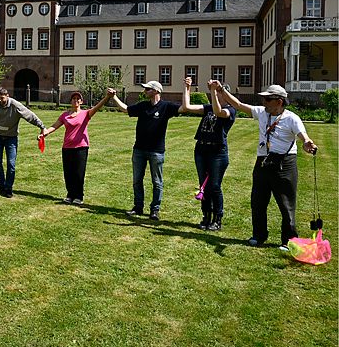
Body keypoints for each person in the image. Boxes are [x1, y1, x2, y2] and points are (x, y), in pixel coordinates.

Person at [217, 83, 318, 250]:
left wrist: (307, 143)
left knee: (286, 204)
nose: (264, 101)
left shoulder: (292, 118)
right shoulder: (262, 113)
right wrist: (221, 91)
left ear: (279, 101)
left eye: (268, 99)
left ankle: (289, 240)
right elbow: (239, 105)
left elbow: (303, 136)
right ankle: (259, 235)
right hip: (263, 161)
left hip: (284, 163)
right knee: (258, 201)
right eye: (263, 98)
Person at [110, 81, 181, 220]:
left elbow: (184, 108)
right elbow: (126, 109)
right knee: (137, 180)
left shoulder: (167, 107)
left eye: (147, 89)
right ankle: (138, 207)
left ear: (156, 91)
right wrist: (114, 97)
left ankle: (155, 210)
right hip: (139, 150)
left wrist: (187, 88)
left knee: (157, 182)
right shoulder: (143, 106)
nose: (145, 91)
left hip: (157, 151)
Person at [39, 88, 114, 205]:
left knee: (79, 173)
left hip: (81, 148)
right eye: (73, 99)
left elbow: (98, 107)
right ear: (71, 101)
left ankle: (79, 196)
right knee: (68, 173)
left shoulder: (85, 114)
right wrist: (45, 133)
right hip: (67, 147)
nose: (75, 100)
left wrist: (107, 97)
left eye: (78, 99)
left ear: (81, 102)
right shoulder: (65, 115)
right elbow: (54, 126)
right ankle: (70, 195)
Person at [181, 77, 236, 231]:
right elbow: (186, 107)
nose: (215, 95)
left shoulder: (230, 110)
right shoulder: (208, 108)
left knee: (214, 186)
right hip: (201, 150)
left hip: (217, 153)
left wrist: (214, 90)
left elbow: (218, 112)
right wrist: (187, 87)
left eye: (219, 93)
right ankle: (206, 217)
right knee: (203, 186)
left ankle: (217, 220)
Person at [0, 87, 45, 198]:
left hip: (11, 138)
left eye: (2, 98)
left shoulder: (16, 106)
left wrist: (42, 126)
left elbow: (30, 116)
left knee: (11, 164)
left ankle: (8, 188)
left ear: (7, 96)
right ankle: (1, 186)